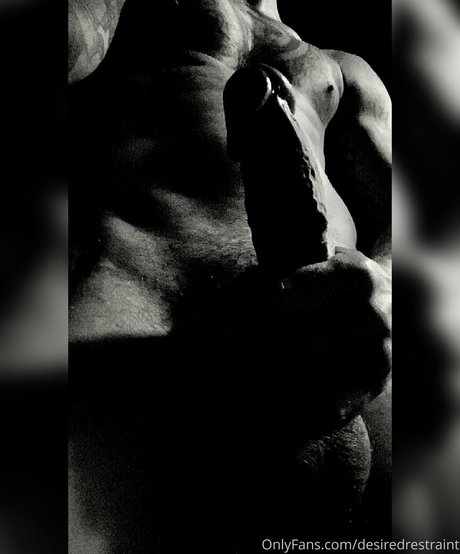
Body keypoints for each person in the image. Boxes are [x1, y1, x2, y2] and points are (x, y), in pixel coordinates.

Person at [68, 1, 391, 552]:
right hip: (137, 324)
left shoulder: (345, 71)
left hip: (333, 351)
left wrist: (383, 291)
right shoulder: (120, 14)